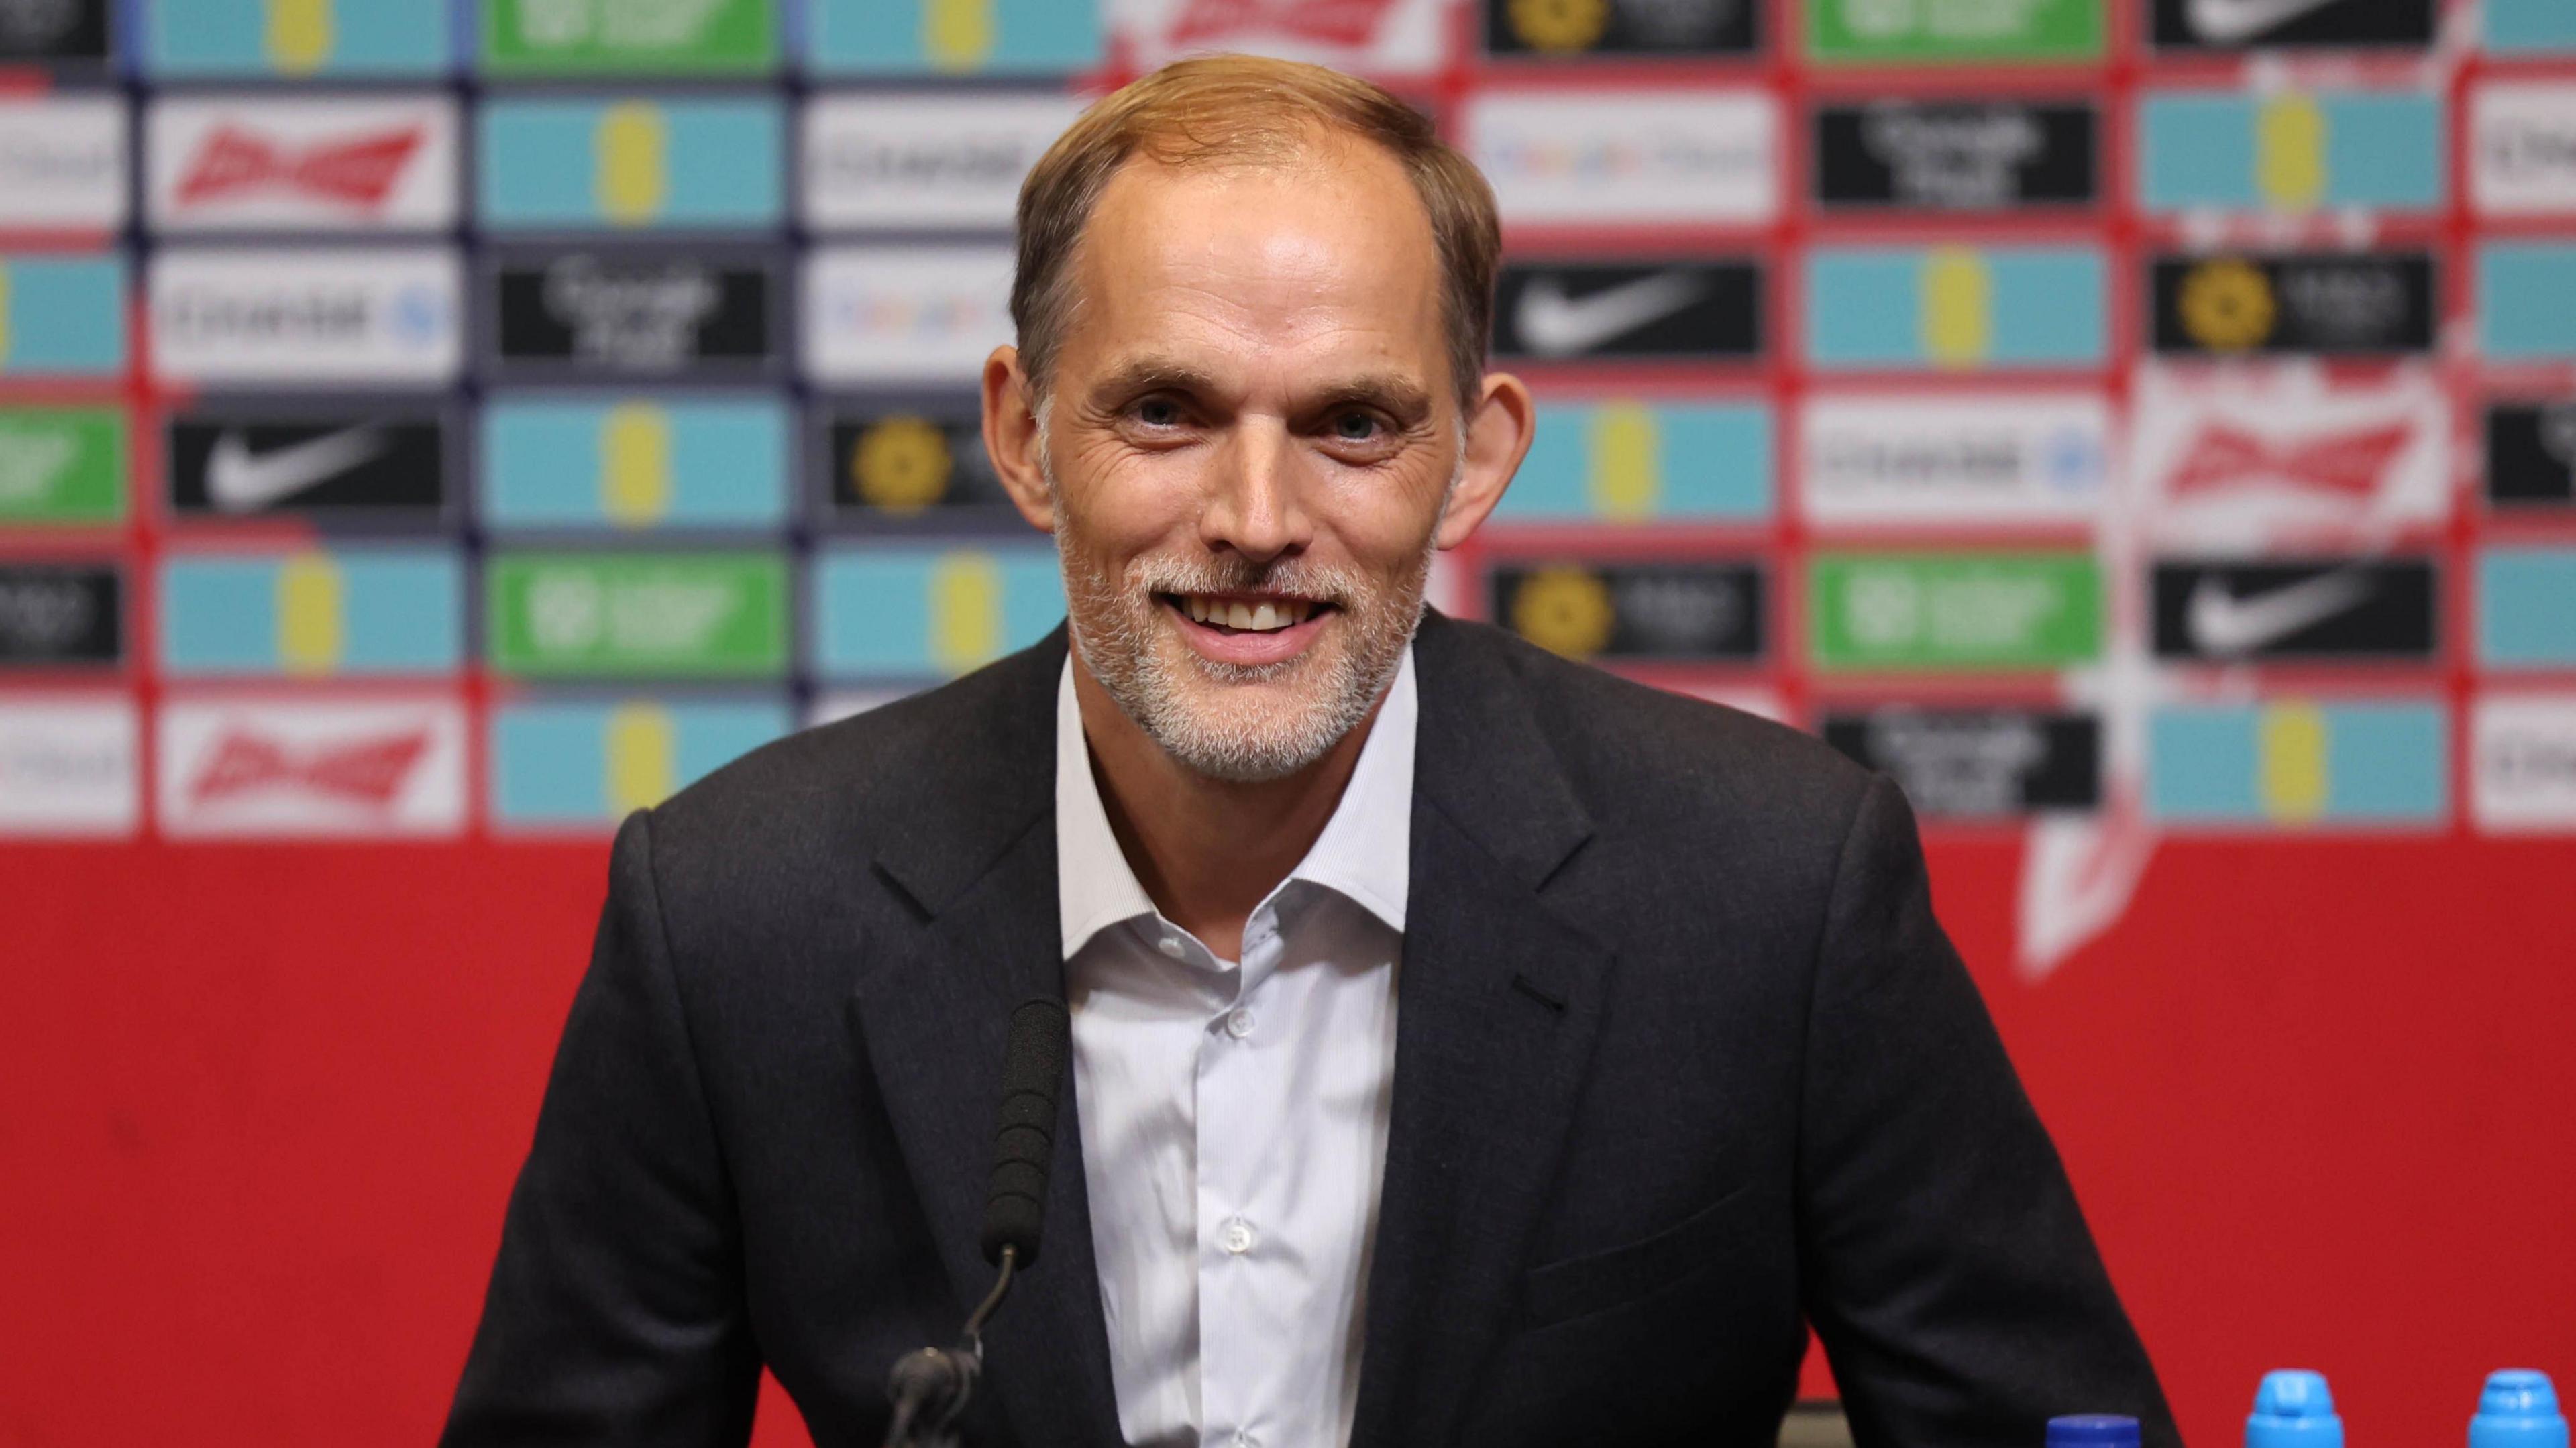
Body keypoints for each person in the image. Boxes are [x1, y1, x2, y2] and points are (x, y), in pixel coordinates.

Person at [441, 54, 2176, 1448]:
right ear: (1024, 436)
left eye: (1353, 424)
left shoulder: (1773, 893)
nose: (1256, 519)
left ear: (1475, 459)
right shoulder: (741, 913)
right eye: (1166, 411)